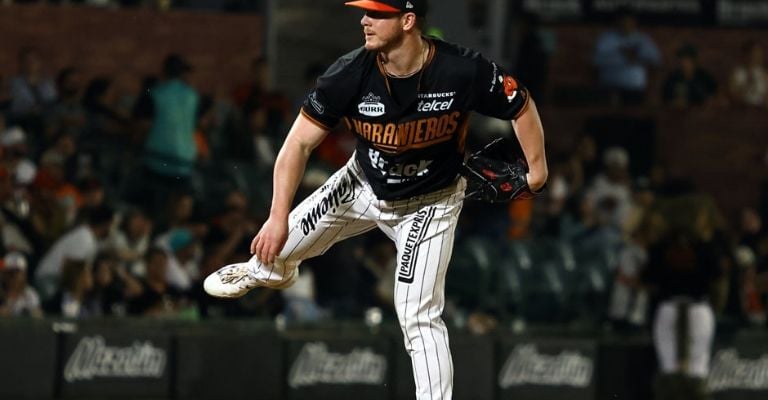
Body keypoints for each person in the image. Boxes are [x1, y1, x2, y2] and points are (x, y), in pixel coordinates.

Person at [203, 1, 547, 399]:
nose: (364, 19)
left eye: (377, 13)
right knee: (275, 249)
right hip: (361, 185)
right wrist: (276, 216)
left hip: (430, 203)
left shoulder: (461, 69)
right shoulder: (349, 72)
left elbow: (520, 103)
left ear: (407, 20)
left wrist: (537, 170)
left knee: (417, 315)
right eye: (364, 11)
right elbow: (297, 143)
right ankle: (269, 272)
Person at [592, 7, 661, 106]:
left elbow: (656, 61)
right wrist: (621, 57)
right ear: (617, 22)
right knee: (609, 119)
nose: (626, 24)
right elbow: (595, 61)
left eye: (629, 21)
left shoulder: (643, 39)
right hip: (610, 88)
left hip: (635, 89)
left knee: (635, 119)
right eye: (623, 21)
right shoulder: (607, 39)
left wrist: (638, 59)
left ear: (634, 22)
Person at [662, 44, 717, 108]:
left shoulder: (704, 76)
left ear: (694, 61)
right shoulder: (673, 78)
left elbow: (714, 95)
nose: (684, 63)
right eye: (682, 60)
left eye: (688, 60)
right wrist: (675, 103)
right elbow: (665, 99)